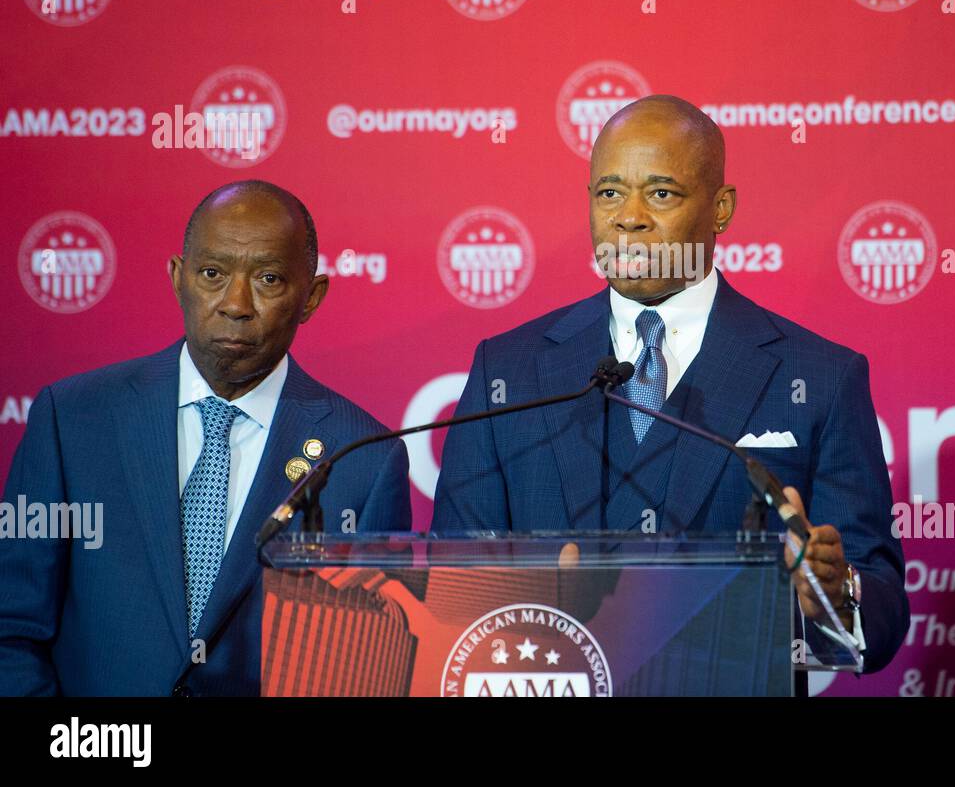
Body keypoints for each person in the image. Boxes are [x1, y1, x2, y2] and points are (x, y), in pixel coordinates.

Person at [432, 95, 907, 672]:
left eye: (661, 193)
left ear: (721, 208)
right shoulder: (507, 371)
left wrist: (838, 594)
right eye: (609, 192)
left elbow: (879, 613)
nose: (628, 217)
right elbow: (450, 590)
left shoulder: (820, 377)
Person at [0, 180, 411, 696]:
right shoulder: (72, 419)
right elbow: (12, 628)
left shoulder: (364, 461)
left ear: (311, 297)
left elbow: (365, 670)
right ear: (178, 278)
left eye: (268, 279)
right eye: (213, 274)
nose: (235, 304)